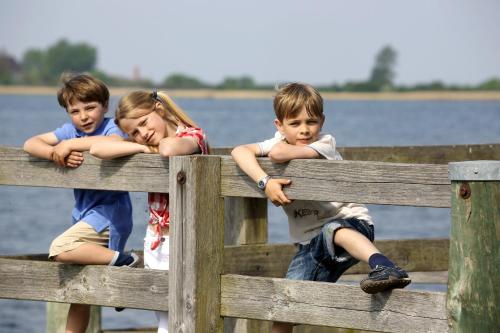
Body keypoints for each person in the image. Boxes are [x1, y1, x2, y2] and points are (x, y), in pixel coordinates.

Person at [231, 82, 411, 333]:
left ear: (322, 121)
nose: (304, 130)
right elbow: (239, 151)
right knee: (284, 306)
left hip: (352, 223)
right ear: (278, 125)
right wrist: (265, 182)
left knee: (335, 230)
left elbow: (279, 154)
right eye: (294, 124)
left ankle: (384, 266)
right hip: (310, 243)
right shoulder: (280, 142)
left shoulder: (325, 143)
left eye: (311, 122)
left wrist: (274, 150)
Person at [23, 73, 137, 333]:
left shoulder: (110, 128)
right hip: (85, 215)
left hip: (110, 215)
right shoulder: (69, 130)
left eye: (90, 108)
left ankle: (127, 262)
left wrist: (71, 144)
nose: (84, 116)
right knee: (80, 292)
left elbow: (114, 142)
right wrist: (54, 152)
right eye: (75, 111)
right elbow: (30, 143)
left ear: (105, 106)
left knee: (60, 248)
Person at [90, 90, 208, 333]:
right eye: (134, 132)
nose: (142, 134)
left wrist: (141, 145)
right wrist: (140, 149)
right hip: (156, 241)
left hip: (187, 239)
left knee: (188, 316)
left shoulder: (194, 135)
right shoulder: (145, 145)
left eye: (144, 123)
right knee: (164, 320)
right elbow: (96, 150)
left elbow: (168, 149)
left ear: (160, 109)